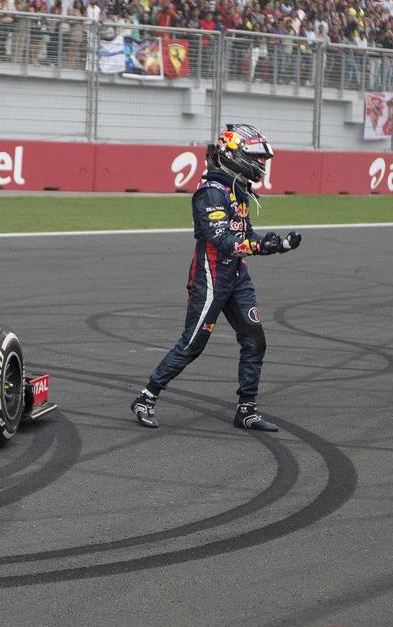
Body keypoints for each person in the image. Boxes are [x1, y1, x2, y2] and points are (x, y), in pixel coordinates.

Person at [130, 124, 303, 432]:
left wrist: (277, 243)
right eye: (256, 157)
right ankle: (146, 397)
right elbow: (223, 240)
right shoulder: (209, 192)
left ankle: (246, 410)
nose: (262, 164)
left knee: (254, 340)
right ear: (235, 155)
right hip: (211, 277)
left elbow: (244, 235)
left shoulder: (239, 190)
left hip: (236, 276)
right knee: (192, 344)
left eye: (263, 158)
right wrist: (266, 245)